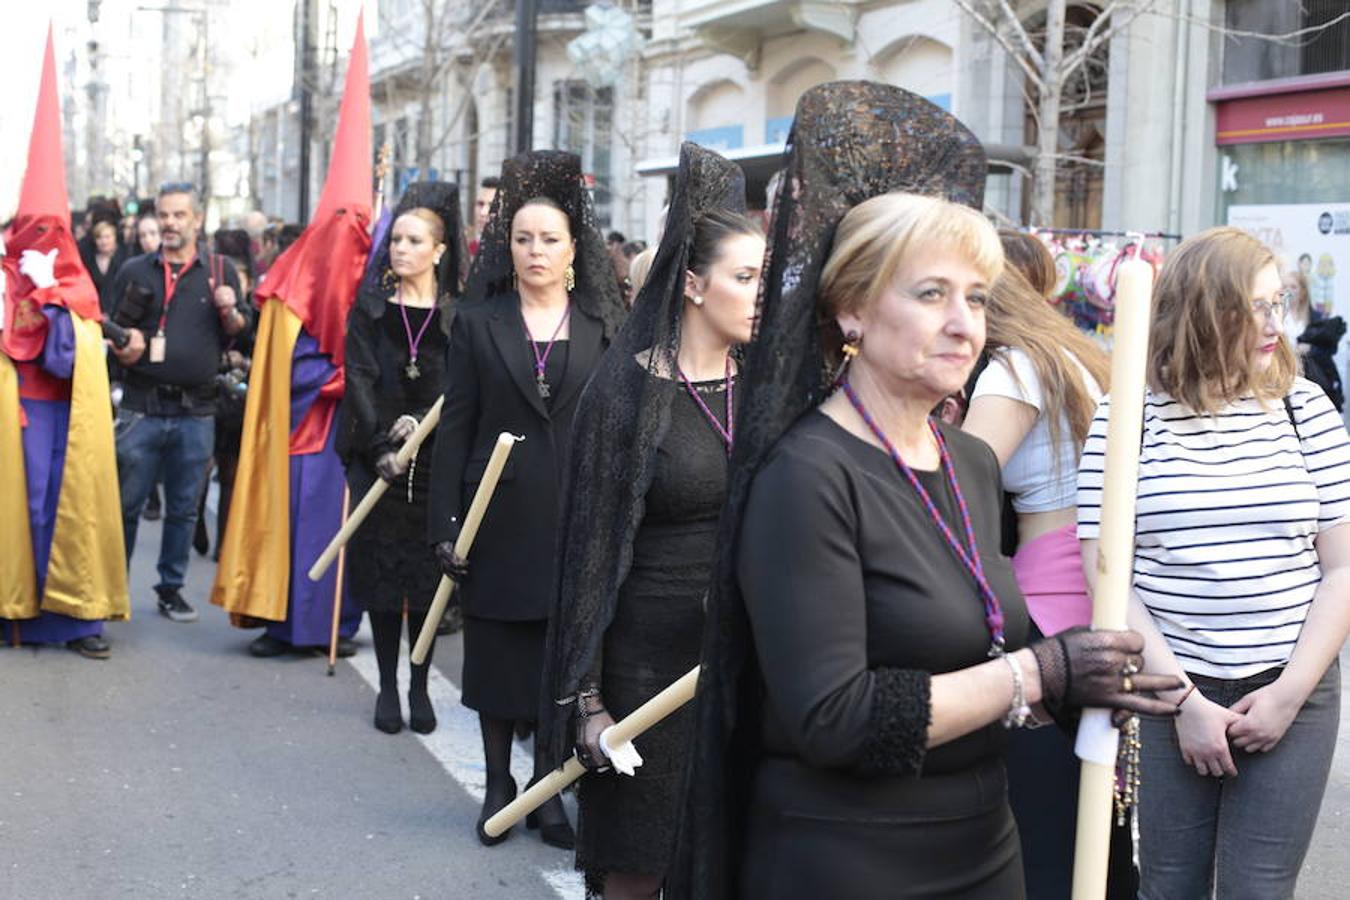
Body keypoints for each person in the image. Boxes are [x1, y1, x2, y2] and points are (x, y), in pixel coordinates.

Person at [667, 82, 1181, 900]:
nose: (963, 324)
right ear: (851, 313)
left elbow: (976, 649)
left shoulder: (970, 463)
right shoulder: (806, 476)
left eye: (976, 299)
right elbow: (833, 718)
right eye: (931, 293)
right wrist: (1041, 672)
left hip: (983, 846)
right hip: (846, 861)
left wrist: (1078, 689)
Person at [1078, 227, 1350, 899]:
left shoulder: (1303, 406)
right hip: (1171, 688)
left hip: (1294, 687)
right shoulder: (1128, 416)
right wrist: (1184, 702)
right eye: (1252, 306)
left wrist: (1289, 695)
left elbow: (1343, 566)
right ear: (1202, 312)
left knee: (1258, 890)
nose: (1272, 323)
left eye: (1277, 301)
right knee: (1169, 886)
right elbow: (1107, 574)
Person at [542, 143, 762, 897]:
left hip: (739, 669)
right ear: (695, 284)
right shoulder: (623, 399)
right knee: (638, 873)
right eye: (745, 277)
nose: (760, 294)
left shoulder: (766, 388)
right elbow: (590, 555)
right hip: (645, 675)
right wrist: (590, 702)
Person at [428, 150, 626, 850]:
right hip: (497, 516)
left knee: (560, 655)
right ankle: (495, 781)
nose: (535, 250)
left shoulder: (604, 324)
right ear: (505, 246)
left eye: (549, 239)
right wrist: (447, 525)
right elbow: (455, 428)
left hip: (577, 513)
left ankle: (546, 788)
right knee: (496, 654)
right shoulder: (479, 322)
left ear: (575, 248)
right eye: (522, 238)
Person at [962, 231, 1128, 897]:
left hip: (1045, 602)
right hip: (1098, 586)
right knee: (1092, 812)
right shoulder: (1074, 355)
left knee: (1044, 825)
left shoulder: (1014, 370)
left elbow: (952, 488)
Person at [0, 35, 129, 657]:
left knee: (63, 513)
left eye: (53, 231)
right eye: (33, 231)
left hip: (61, 415)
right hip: (11, 413)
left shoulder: (74, 283)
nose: (42, 239)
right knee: (13, 515)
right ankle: (9, 612)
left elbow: (69, 358)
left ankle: (75, 621)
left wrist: (52, 296)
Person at [340, 182, 467, 734]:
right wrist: (380, 446)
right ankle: (389, 687)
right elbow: (360, 380)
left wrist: (430, 435)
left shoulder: (460, 317)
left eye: (414, 240)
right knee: (385, 583)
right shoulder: (370, 311)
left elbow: (464, 393)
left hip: (440, 467)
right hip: (382, 466)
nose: (401, 249)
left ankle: (419, 684)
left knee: (426, 582)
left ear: (439, 250)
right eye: (396, 240)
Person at [108, 183, 248, 623]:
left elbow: (242, 330)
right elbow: (108, 328)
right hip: (141, 408)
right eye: (163, 215)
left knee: (184, 508)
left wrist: (231, 311)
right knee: (126, 506)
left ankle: (170, 588)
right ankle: (114, 590)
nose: (170, 223)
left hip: (197, 411)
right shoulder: (135, 269)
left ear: (197, 219)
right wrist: (121, 348)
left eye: (178, 215)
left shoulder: (221, 271)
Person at [1282, 263, 1344, 411]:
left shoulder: (1315, 318)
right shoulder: (1276, 315)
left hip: (1309, 377)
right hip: (1283, 375)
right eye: (1284, 287)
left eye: (1293, 287)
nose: (1288, 291)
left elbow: (1329, 350)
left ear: (1303, 291)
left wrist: (1311, 349)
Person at [468, 176, 499, 258]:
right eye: (480, 204)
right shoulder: (465, 253)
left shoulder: (514, 254)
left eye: (492, 206)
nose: (483, 212)